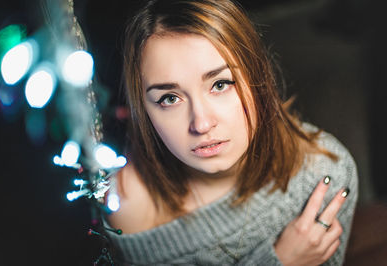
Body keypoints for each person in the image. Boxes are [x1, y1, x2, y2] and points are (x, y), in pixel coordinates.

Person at [103, 0, 358, 265]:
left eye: (220, 84)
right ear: (144, 111)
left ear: (257, 78)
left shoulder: (324, 173)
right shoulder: (128, 204)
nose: (201, 124)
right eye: (169, 99)